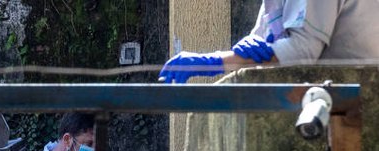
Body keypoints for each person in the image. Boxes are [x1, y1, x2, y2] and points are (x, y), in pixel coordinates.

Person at [160, 0, 379, 83]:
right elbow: (262, 39)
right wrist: (246, 48)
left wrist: (213, 61)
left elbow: (301, 51)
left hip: (358, 102)